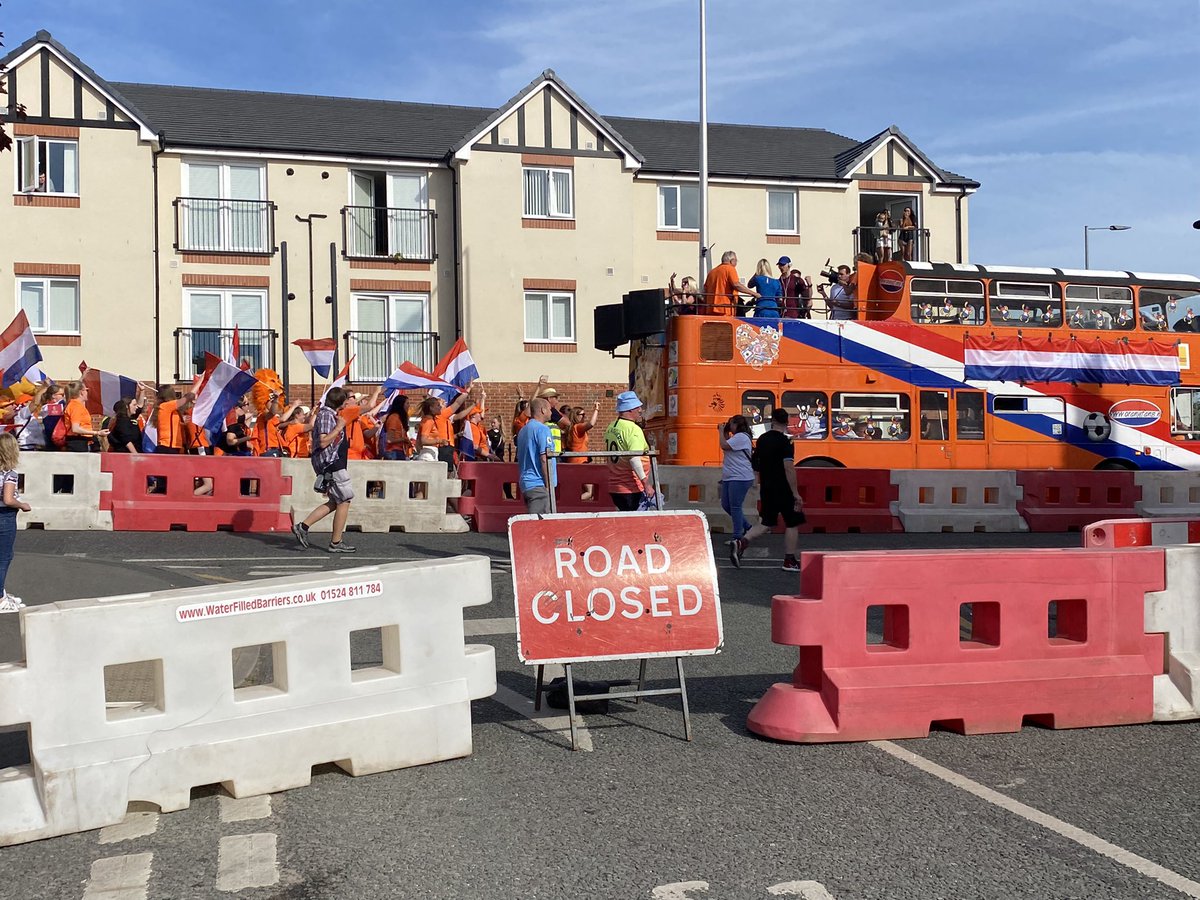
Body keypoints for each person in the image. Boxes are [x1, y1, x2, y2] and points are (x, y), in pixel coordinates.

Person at [730, 408, 804, 572]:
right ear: (786, 423)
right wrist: (796, 493)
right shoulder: (787, 442)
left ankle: (741, 542)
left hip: (768, 486)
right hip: (783, 487)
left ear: (772, 421)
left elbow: (755, 462)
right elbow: (788, 468)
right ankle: (789, 560)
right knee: (792, 522)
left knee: (766, 522)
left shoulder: (762, 439)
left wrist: (757, 479)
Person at [292, 386, 356, 553]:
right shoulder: (327, 415)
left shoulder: (329, 414)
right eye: (348, 398)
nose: (350, 401)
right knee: (345, 499)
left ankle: (303, 526)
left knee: (336, 501)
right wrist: (339, 427)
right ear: (341, 402)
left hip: (332, 462)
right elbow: (323, 441)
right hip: (331, 462)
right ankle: (336, 542)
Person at [604, 390, 654, 512]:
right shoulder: (633, 429)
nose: (640, 410)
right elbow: (634, 458)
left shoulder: (612, 426)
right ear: (630, 409)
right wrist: (646, 484)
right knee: (635, 524)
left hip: (615, 486)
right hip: (631, 487)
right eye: (638, 407)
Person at [0, 433, 30, 613]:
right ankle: (1, 599)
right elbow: (8, 499)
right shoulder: (9, 474)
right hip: (5, 515)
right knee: (4, 557)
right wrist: (22, 505)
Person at [717, 415, 754, 541]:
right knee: (726, 504)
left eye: (730, 423)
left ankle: (738, 537)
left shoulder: (742, 437)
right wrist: (725, 432)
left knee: (735, 506)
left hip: (740, 477)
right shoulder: (736, 438)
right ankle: (748, 526)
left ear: (737, 425)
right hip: (731, 476)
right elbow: (727, 443)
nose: (729, 425)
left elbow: (723, 445)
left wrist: (721, 431)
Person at [516, 397, 555, 514]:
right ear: (543, 410)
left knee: (534, 520)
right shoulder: (543, 429)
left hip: (526, 482)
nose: (551, 412)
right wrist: (548, 486)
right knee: (540, 525)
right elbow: (544, 459)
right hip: (539, 483)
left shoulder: (523, 430)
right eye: (550, 409)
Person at [701, 250, 759, 316]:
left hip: (710, 310)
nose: (736, 263)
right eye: (736, 261)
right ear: (732, 261)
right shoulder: (730, 269)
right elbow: (736, 285)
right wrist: (753, 293)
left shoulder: (712, 272)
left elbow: (704, 290)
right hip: (724, 309)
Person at [63, 382, 107, 452]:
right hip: (78, 441)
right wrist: (97, 433)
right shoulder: (75, 406)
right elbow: (75, 428)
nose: (87, 393)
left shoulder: (76, 405)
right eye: (86, 390)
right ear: (81, 393)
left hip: (81, 440)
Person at [155, 384, 194, 453]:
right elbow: (187, 398)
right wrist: (201, 380)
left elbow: (169, 424)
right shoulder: (166, 405)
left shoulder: (168, 408)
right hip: (168, 445)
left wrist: (181, 423)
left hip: (172, 446)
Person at [381, 394, 412, 460]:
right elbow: (389, 440)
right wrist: (404, 439)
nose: (409, 406)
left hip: (401, 451)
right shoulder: (394, 418)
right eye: (407, 403)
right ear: (401, 405)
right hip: (394, 452)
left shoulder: (400, 418)